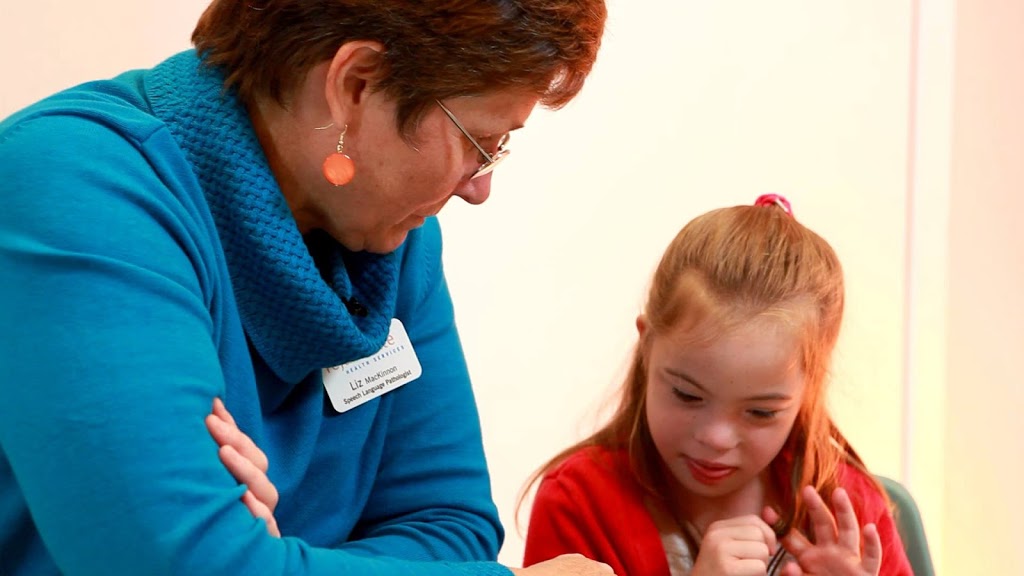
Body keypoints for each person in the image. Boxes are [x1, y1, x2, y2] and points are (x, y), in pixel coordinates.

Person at [0, 1, 613, 575]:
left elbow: (456, 529)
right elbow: (173, 564)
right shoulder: (76, 189)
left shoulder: (391, 236)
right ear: (356, 84)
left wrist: (261, 555)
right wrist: (238, 554)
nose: (477, 187)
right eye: (481, 143)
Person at [520, 195, 913, 576]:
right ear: (647, 345)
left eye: (760, 412)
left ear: (809, 386)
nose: (716, 438)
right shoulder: (578, 500)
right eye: (687, 395)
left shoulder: (852, 508)